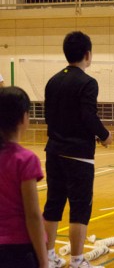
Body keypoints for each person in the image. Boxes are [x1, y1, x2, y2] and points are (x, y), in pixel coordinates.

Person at [43, 31, 112, 268]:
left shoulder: (52, 81)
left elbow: (47, 117)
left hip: (53, 152)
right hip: (79, 156)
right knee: (80, 208)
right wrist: (105, 135)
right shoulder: (87, 82)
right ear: (87, 54)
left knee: (53, 204)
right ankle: (77, 260)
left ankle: (48, 255)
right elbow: (87, 115)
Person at [0, 86, 48, 268]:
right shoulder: (25, 160)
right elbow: (33, 215)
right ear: (23, 118)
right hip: (18, 249)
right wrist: (44, 261)